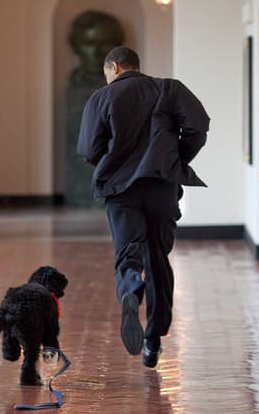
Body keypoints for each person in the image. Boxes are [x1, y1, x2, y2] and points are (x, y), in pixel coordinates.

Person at [77, 46, 209, 368]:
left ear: (116, 67)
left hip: (121, 190)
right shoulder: (168, 89)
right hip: (161, 186)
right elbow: (198, 126)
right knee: (157, 258)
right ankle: (153, 340)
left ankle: (131, 288)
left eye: (107, 73)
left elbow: (88, 149)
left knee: (128, 252)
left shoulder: (101, 98)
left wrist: (113, 159)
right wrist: (173, 158)